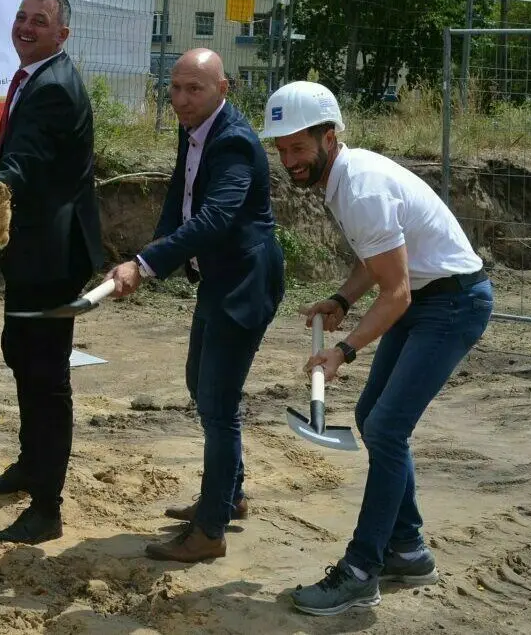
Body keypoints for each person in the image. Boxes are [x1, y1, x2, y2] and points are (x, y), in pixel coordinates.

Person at [259, 81, 494, 616]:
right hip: (428, 297)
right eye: (282, 149)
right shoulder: (343, 179)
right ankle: (407, 550)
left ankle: (362, 569)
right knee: (373, 416)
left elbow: (397, 292)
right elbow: (380, 257)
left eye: (298, 147)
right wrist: (342, 298)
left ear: (328, 136)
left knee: (387, 427)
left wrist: (343, 350)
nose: (289, 160)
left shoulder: (360, 187)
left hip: (452, 304)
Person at [105, 48, 284, 562]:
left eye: (195, 89)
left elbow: (213, 219)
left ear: (223, 89)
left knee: (217, 404)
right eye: (176, 88)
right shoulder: (194, 128)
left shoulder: (233, 143)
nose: (181, 100)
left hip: (245, 281)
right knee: (199, 384)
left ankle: (210, 533)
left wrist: (143, 264)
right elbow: (179, 201)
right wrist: (151, 256)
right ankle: (230, 495)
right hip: (218, 277)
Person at [0, 0, 103, 544]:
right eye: (21, 16)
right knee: (22, 357)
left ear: (62, 35)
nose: (25, 27)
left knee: (46, 378)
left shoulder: (52, 88)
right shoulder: (36, 77)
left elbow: (22, 167)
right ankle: (31, 466)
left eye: (39, 21)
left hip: (50, 257)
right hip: (34, 252)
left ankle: (47, 507)